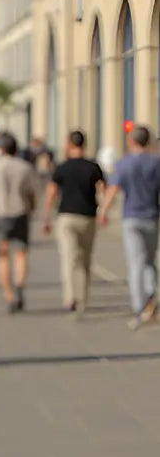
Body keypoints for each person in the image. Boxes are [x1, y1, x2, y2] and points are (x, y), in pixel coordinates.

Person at [99, 124, 160, 330]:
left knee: (136, 264)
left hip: (131, 218)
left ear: (130, 141)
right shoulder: (155, 162)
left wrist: (103, 211)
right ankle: (151, 298)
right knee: (150, 261)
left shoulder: (124, 164)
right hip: (151, 217)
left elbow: (113, 189)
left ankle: (139, 305)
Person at [42, 130, 104, 316]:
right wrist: (103, 210)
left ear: (69, 145)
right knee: (85, 259)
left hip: (67, 217)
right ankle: (83, 297)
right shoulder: (93, 167)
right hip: (88, 217)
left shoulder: (62, 168)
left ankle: (71, 297)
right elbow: (103, 188)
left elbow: (52, 192)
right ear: (84, 144)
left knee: (69, 258)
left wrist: (46, 217)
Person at [0, 132, 38, 313]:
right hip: (20, 212)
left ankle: (9, 294)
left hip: (1, 213)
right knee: (21, 252)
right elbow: (32, 192)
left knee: (3, 255)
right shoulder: (25, 167)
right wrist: (32, 207)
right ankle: (19, 285)